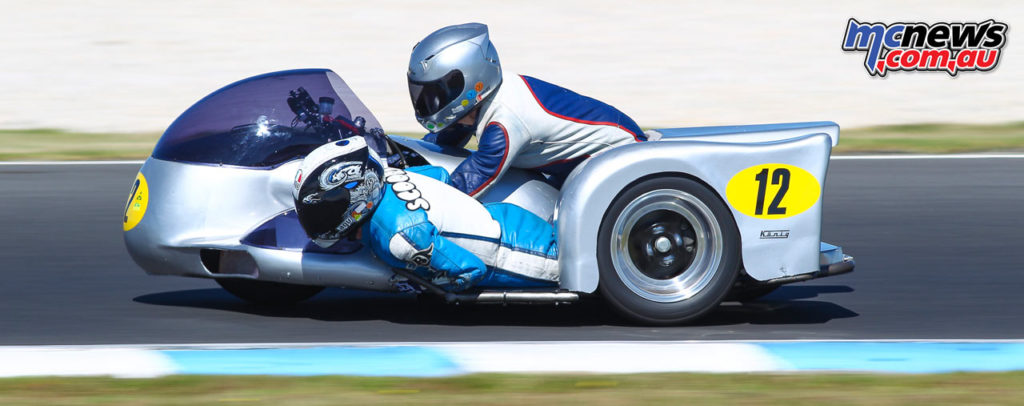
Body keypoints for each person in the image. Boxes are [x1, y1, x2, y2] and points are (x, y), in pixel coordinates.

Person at [407, 23, 647, 197]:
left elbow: (469, 183)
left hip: (616, 152)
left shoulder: (504, 122)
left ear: (467, 82)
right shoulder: (484, 100)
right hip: (587, 158)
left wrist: (420, 199)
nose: (429, 103)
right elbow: (444, 144)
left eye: (435, 94)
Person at [292, 137, 558, 292]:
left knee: (567, 273)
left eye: (320, 210)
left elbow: (469, 271)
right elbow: (440, 176)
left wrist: (420, 282)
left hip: (520, 254)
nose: (315, 218)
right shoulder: (392, 175)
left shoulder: (399, 238)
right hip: (508, 220)